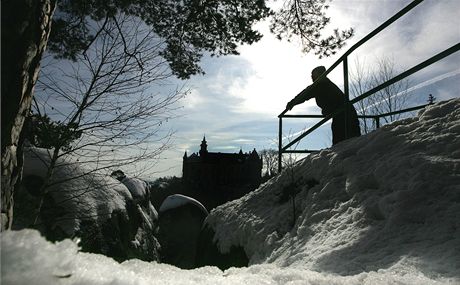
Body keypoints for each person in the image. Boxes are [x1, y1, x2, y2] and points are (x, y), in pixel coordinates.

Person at [286, 66, 361, 145]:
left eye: (313, 74)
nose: (311, 77)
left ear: (319, 74)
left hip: (344, 114)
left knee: (343, 142)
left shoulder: (321, 84)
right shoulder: (325, 84)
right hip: (344, 113)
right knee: (347, 142)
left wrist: (292, 102)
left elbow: (305, 94)